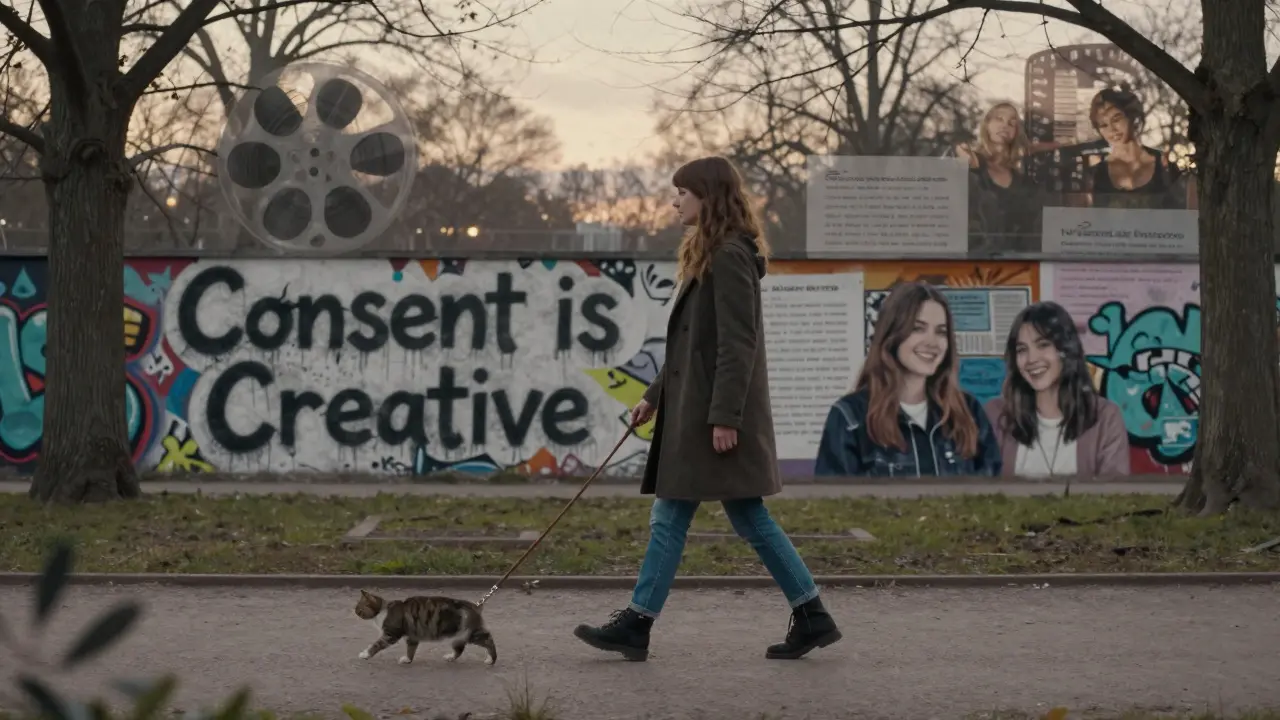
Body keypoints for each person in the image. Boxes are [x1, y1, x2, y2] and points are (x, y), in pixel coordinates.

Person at [572, 156, 841, 662]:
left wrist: (725, 418)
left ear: (708, 198)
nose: (675, 201)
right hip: (699, 415)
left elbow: (738, 345)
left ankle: (638, 623)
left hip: (712, 421)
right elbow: (692, 347)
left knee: (684, 515)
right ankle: (811, 616)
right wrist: (653, 396)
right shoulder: (711, 255)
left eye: (683, 193)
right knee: (733, 516)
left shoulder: (730, 258)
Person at [814, 281, 1001, 477]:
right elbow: (833, 505)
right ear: (892, 334)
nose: (932, 342)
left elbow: (994, 499)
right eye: (918, 328)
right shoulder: (849, 417)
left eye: (941, 332)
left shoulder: (969, 412)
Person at [983, 301, 1130, 478]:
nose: (1031, 359)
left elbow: (1115, 498)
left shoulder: (1105, 417)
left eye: (1043, 345)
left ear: (1066, 350)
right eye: (1022, 350)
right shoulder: (996, 415)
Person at [956, 102, 1045, 252]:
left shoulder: (1022, 181)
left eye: (1012, 123)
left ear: (1016, 132)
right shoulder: (971, 163)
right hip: (973, 258)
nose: (1005, 125)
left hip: (1012, 261)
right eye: (999, 119)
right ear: (987, 125)